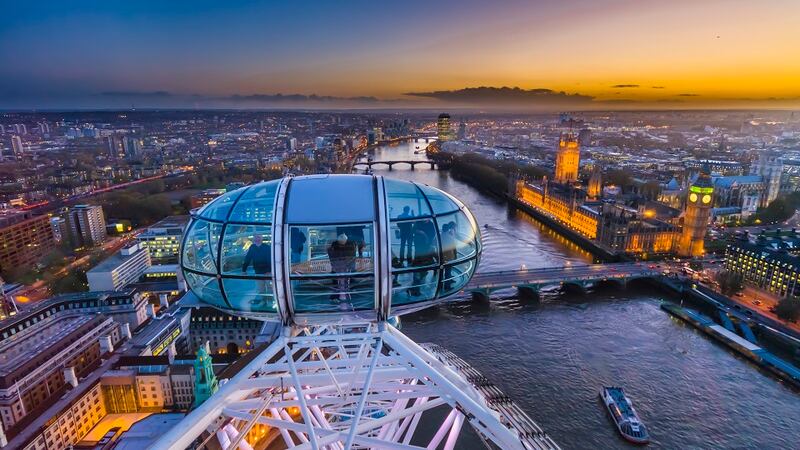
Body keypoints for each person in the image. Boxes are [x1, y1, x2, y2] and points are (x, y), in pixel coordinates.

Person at [242, 234, 271, 305]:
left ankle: (271, 301)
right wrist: (244, 270)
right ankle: (264, 301)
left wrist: (269, 270)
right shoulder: (252, 247)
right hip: (258, 271)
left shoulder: (267, 247)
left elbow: (270, 259)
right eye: (256, 237)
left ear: (261, 239)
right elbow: (248, 258)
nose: (257, 239)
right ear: (254, 239)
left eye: (259, 237)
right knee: (261, 288)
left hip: (267, 272)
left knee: (270, 288)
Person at [328, 233, 357, 301]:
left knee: (348, 282)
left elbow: (352, 256)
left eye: (343, 242)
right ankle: (335, 297)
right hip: (338, 266)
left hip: (347, 267)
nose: (342, 244)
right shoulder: (334, 245)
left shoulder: (351, 245)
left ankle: (350, 296)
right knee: (336, 282)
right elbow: (332, 255)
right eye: (340, 243)